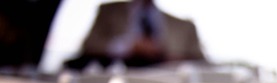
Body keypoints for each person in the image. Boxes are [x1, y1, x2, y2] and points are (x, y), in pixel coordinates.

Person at [67, 0, 205, 69]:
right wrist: (128, 46)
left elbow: (202, 63)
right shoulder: (108, 12)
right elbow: (89, 46)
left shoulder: (184, 25)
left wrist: (168, 57)